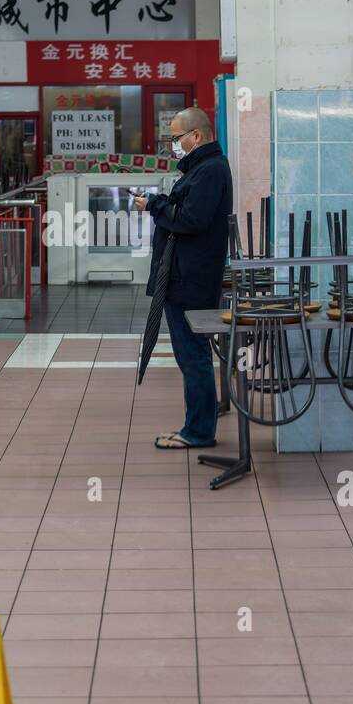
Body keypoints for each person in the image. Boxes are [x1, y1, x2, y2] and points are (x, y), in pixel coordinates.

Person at [134, 106, 233, 449]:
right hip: (185, 275)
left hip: (191, 278)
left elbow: (191, 220)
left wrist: (155, 207)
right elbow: (186, 211)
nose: (173, 144)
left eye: (177, 138)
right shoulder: (203, 168)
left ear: (197, 136)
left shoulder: (210, 170)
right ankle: (197, 424)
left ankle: (199, 432)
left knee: (193, 356)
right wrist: (161, 203)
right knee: (192, 355)